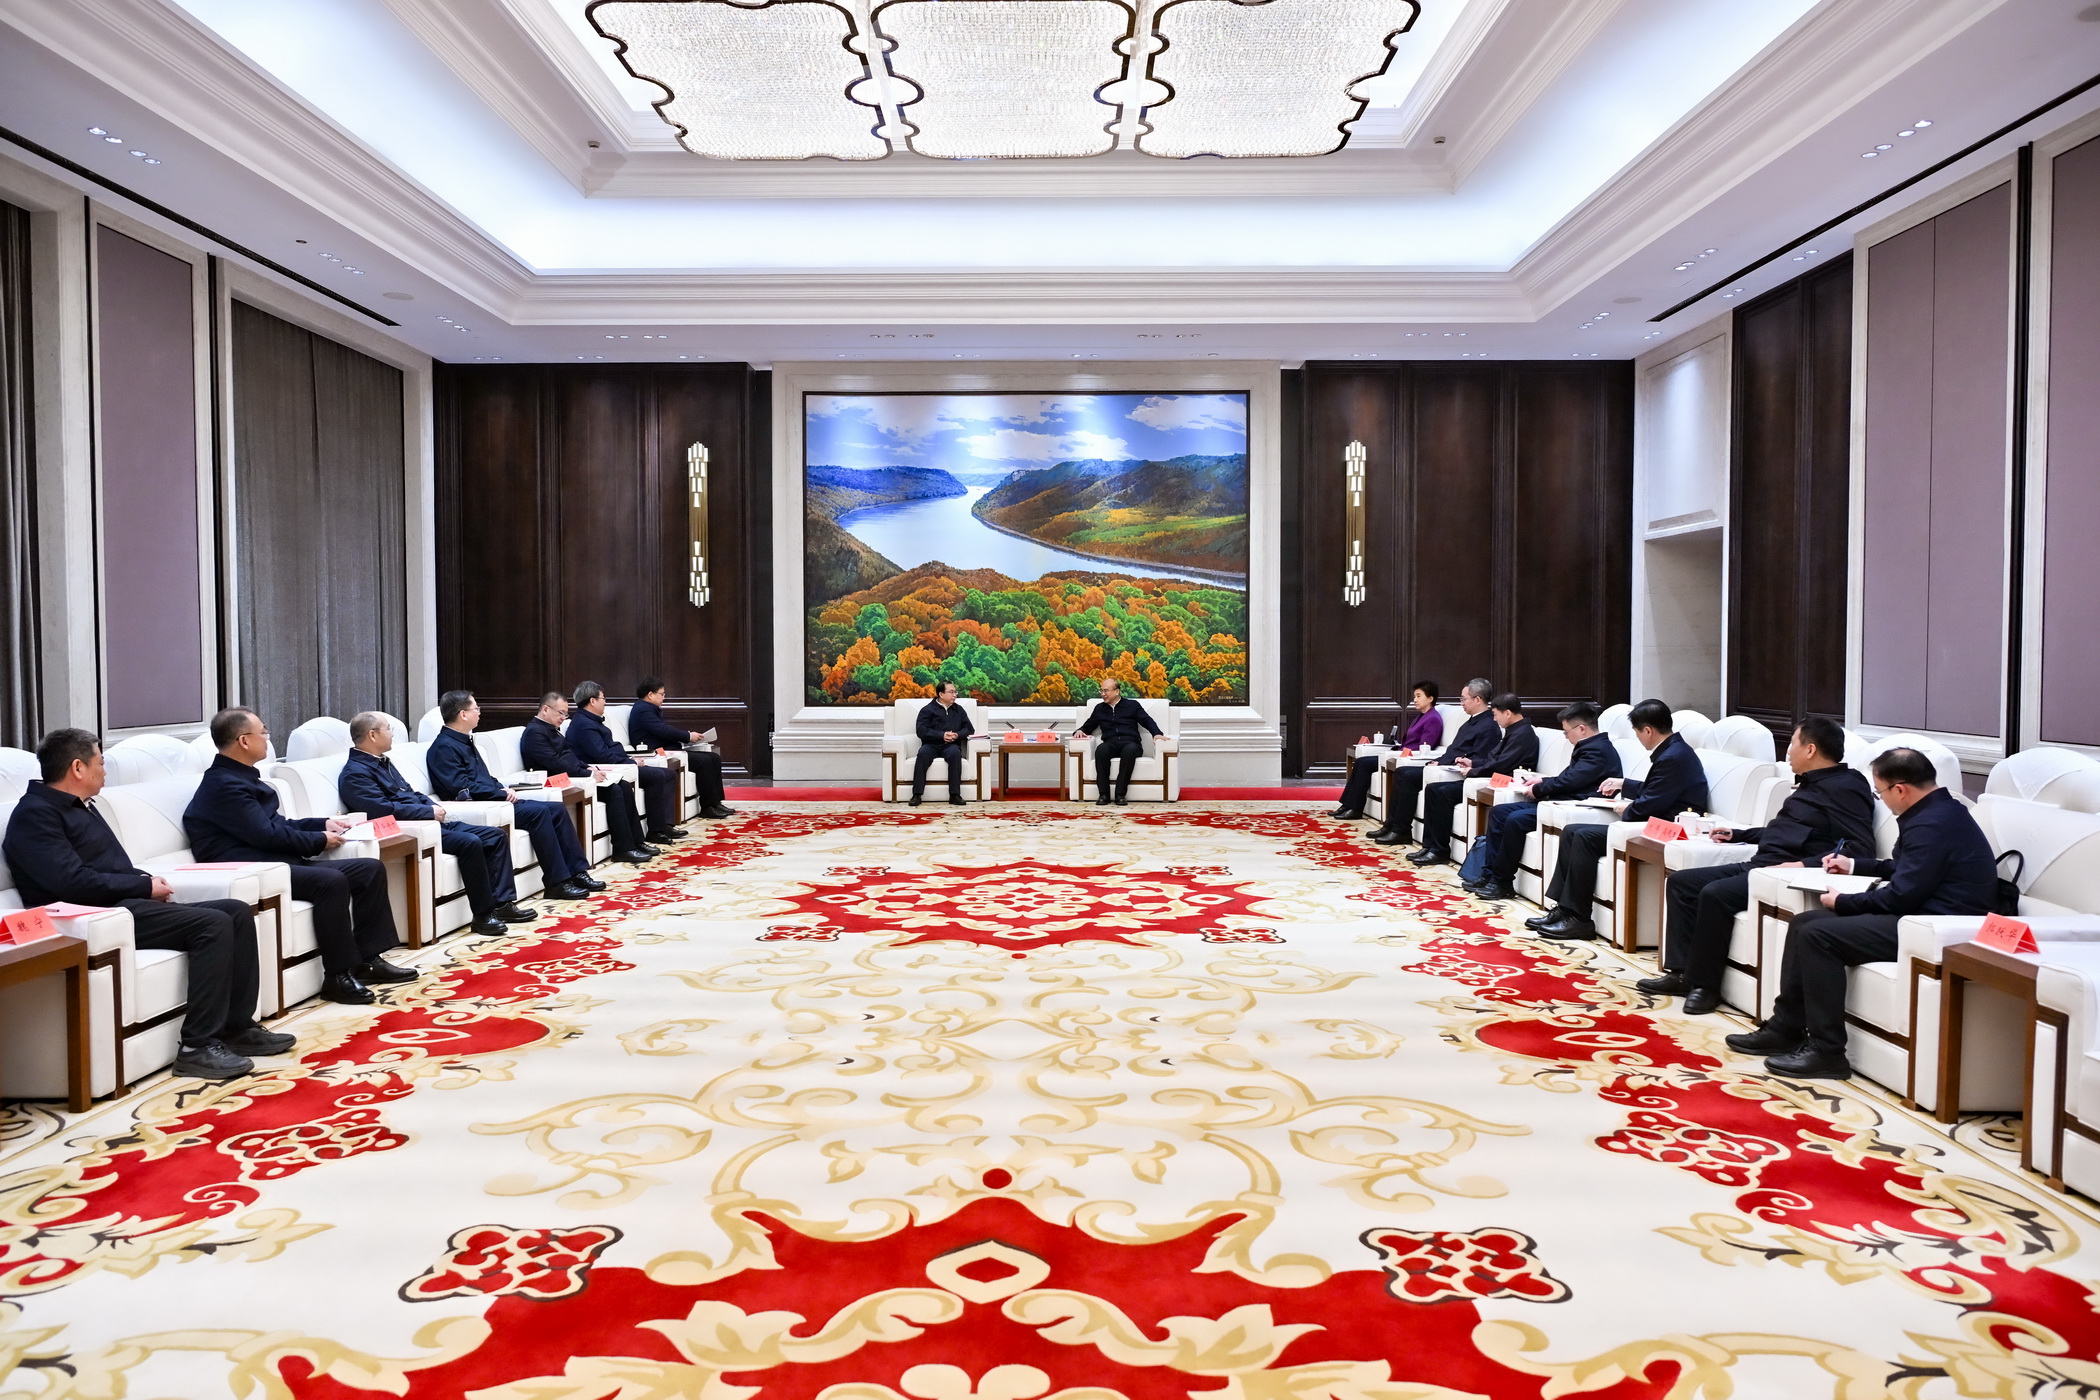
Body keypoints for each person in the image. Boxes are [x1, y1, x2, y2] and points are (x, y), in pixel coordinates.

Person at [2, 729, 296, 1081]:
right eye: (100, 763)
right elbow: (70, 883)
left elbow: (110, 867)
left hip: (120, 904)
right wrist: (143, 886)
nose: (105, 771)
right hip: (91, 916)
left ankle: (237, 1027)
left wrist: (146, 882)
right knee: (212, 924)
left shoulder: (80, 806)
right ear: (78, 768)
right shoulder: (36, 815)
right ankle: (197, 1046)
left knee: (235, 911)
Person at [1725, 747, 1995, 1080]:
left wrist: (1844, 902)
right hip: (1919, 915)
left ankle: (1827, 1052)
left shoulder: (1933, 823)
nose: (1882, 800)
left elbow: (1902, 895)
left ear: (1900, 789)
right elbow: (1905, 869)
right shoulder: (1937, 811)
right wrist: (1853, 865)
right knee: (1805, 923)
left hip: (1934, 925)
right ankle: (1785, 1028)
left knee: (1818, 935)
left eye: (1880, 792)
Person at [1637, 717, 1876, 1015]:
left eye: (1793, 744)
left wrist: (1803, 864)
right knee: (1682, 882)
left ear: (1811, 749)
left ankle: (1705, 986)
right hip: (1761, 864)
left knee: (1715, 893)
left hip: (1784, 873)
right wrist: (1739, 834)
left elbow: (1859, 847)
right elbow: (1787, 830)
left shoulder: (1846, 787)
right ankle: (1680, 972)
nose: (1788, 752)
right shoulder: (1811, 783)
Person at [183, 708, 413, 1006]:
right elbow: (266, 835)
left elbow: (277, 825)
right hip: (250, 867)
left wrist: (322, 824)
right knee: (330, 881)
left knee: (368, 869)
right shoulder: (224, 785)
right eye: (263, 732)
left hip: (272, 858)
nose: (267, 738)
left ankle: (369, 960)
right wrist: (319, 841)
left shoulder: (241, 777)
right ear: (244, 741)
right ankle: (338, 976)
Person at [338, 712, 538, 937]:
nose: (392, 734)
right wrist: (427, 812)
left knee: (495, 836)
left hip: (429, 820)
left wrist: (432, 806)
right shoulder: (355, 773)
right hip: (411, 828)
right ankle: (483, 915)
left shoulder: (382, 761)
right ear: (373, 735)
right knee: (470, 842)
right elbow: (382, 810)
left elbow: (410, 792)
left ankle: (503, 904)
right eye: (388, 729)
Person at [1527, 698, 1708, 942]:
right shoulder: (1674, 750)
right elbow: (1658, 788)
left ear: (1648, 730)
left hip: (1667, 827)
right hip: (1658, 819)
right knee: (1572, 831)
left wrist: (1626, 808)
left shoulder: (1673, 756)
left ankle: (1579, 919)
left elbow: (1652, 803)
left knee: (1584, 836)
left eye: (1637, 732)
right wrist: (1624, 784)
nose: (1638, 738)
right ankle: (1564, 909)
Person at [425, 690, 599, 902]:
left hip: (495, 798)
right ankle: (557, 882)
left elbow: (485, 777)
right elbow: (460, 787)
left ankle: (577, 872)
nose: (479, 712)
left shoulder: (465, 741)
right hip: (482, 805)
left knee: (555, 807)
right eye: (476, 708)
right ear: (463, 714)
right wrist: (498, 793)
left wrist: (501, 788)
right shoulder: (443, 747)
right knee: (538, 813)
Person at [1462, 702, 1621, 903]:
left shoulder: (1598, 750)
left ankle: (1502, 882)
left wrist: (1539, 789)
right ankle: (1489, 874)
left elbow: (1571, 781)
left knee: (1515, 819)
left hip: (1573, 806)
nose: (1565, 737)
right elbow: (1569, 778)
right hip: (1557, 802)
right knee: (1499, 812)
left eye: (1566, 732)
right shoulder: (1590, 746)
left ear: (1582, 729)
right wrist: (1542, 782)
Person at [521, 692, 655, 864]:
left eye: (566, 714)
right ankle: (623, 849)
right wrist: (588, 774)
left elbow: (570, 756)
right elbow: (555, 763)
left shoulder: (552, 730)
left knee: (623, 785)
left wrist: (587, 767)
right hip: (556, 782)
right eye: (561, 713)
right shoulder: (534, 732)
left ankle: (637, 842)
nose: (563, 718)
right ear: (545, 709)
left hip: (572, 776)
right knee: (614, 790)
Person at [1411, 693, 1538, 867]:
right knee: (1434, 789)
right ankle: (1429, 846)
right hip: (1489, 777)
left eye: (1495, 714)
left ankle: (1439, 850)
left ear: (1507, 713)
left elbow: (1502, 764)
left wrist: (1473, 771)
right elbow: (1493, 759)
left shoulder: (1523, 734)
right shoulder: (1514, 731)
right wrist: (1473, 762)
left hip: (1500, 782)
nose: (1494, 719)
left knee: (1444, 793)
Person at [1370, 678, 1498, 846]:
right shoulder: (1471, 721)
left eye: (1463, 699)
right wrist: (1438, 761)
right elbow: (1453, 749)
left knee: (1409, 776)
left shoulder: (1488, 726)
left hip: (1456, 771)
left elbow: (1477, 758)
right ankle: (1392, 825)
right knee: (1402, 772)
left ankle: (1401, 830)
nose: (1461, 703)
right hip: (1444, 765)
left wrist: (1447, 763)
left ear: (1478, 699)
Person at [569, 681, 684, 844]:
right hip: (606, 769)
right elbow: (602, 756)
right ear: (592, 701)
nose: (605, 702)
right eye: (603, 698)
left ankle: (665, 825)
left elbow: (612, 749)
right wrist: (630, 763)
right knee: (657, 776)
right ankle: (656, 831)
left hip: (617, 764)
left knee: (668, 774)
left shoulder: (592, 721)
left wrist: (630, 759)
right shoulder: (584, 725)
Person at [1331, 681, 1444, 820]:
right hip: (1399, 753)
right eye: (1414, 696)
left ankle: (1355, 809)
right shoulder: (1421, 716)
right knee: (1360, 762)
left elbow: (1425, 746)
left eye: (1418, 696)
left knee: (1364, 764)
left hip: (1406, 758)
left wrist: (1400, 753)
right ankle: (1347, 805)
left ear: (1430, 698)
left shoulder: (1433, 719)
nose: (1415, 700)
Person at [630, 677, 734, 819]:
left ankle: (716, 802)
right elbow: (662, 730)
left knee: (714, 758)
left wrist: (687, 739)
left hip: (667, 748)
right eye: (662, 694)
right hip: (657, 752)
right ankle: (708, 806)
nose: (664, 698)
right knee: (704, 761)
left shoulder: (648, 708)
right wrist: (688, 736)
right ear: (650, 694)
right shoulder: (643, 709)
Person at [1077, 677, 1162, 806]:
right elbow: (1088, 726)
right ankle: (1103, 794)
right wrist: (1080, 731)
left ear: (1117, 691)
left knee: (1129, 750)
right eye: (1101, 691)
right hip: (1110, 743)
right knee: (1101, 750)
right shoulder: (1099, 708)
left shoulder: (1132, 705)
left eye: (1106, 691)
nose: (1103, 694)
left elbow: (1146, 720)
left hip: (1131, 743)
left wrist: (1157, 733)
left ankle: (1120, 794)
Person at [909, 680, 975, 806]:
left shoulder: (959, 710)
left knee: (955, 754)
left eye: (955, 692)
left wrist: (957, 735)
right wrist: (942, 735)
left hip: (951, 745)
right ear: (941, 694)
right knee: (922, 754)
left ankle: (955, 795)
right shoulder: (927, 710)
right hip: (931, 745)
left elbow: (969, 729)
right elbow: (921, 731)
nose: (955, 695)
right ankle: (916, 794)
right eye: (951, 692)